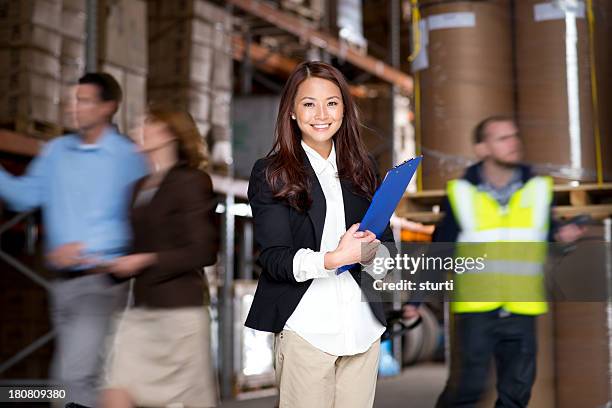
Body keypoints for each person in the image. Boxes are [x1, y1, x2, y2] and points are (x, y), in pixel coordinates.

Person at [246, 61, 396, 408]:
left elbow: (385, 247)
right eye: (309, 103)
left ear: (344, 108)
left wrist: (374, 255)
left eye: (332, 102)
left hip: (362, 330)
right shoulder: (272, 173)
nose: (321, 114)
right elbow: (274, 259)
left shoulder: (363, 169)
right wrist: (335, 259)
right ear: (292, 113)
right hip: (306, 330)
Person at [0, 73, 147, 407]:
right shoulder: (56, 152)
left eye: (83, 100)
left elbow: (145, 219)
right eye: (71, 100)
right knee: (83, 377)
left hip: (101, 284)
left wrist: (90, 250)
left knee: (72, 378)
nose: (73, 107)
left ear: (108, 107)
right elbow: (24, 196)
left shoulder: (127, 158)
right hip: (61, 286)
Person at [434, 116, 585, 408]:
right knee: (466, 390)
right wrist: (416, 300)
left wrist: (562, 235)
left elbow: (547, 235)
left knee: (516, 394)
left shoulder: (539, 189)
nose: (513, 143)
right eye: (502, 138)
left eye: (514, 136)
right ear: (482, 149)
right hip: (477, 307)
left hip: (522, 306)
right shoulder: (461, 192)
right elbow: (441, 249)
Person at [99, 109, 219, 408]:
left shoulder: (193, 181)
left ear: (170, 133)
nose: (140, 128)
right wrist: (108, 262)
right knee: (115, 391)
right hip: (141, 309)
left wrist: (145, 261)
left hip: (179, 314)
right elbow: (137, 245)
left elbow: (203, 250)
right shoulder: (137, 187)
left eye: (149, 123)